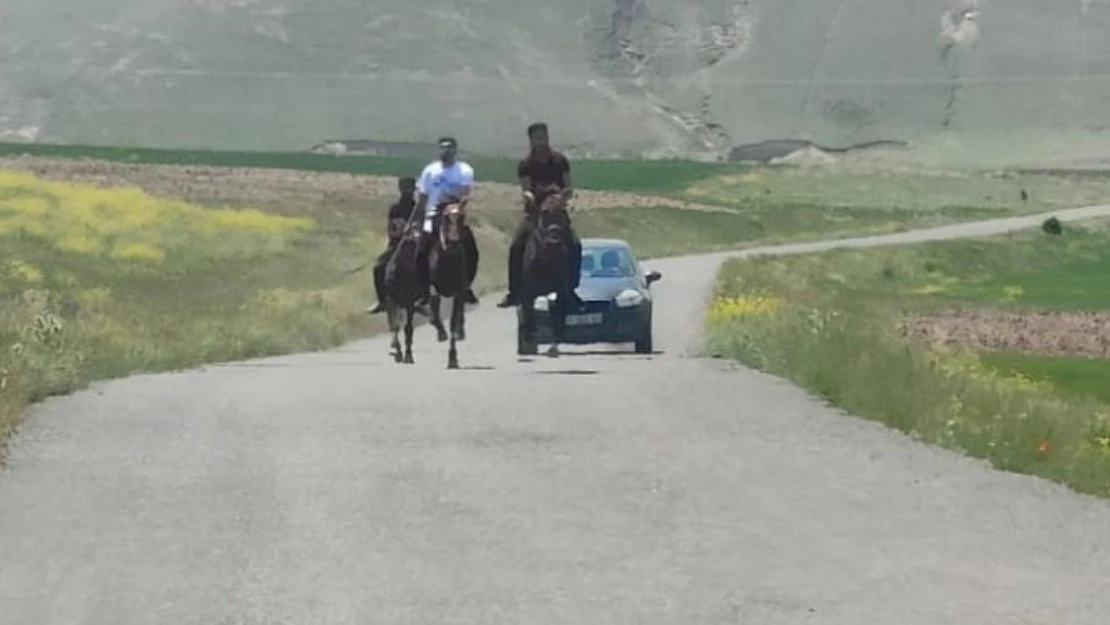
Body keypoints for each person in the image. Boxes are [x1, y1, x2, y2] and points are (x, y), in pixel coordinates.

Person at [497, 122, 584, 309]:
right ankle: (515, 291)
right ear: (531, 140)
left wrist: (560, 198)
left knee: (575, 245)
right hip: (536, 212)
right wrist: (530, 197)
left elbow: (568, 186)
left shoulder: (560, 160)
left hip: (557, 210)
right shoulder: (525, 164)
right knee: (517, 246)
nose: (541, 140)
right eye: (537, 137)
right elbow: (526, 188)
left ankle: (570, 288)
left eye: (543, 136)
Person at [413, 136, 480, 306]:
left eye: (449, 147)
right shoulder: (430, 171)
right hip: (433, 215)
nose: (445, 150)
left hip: (455, 214)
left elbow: (465, 193)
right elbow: (423, 197)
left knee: (471, 250)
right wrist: (417, 221)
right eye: (442, 147)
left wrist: (458, 206)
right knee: (420, 251)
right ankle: (424, 290)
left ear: (455, 150)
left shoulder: (463, 170)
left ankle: (466, 286)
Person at [367, 176, 418, 314]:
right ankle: (382, 301)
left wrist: (413, 233)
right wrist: (398, 234)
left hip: (414, 247)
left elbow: (423, 230)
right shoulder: (394, 209)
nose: (406, 191)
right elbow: (392, 228)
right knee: (378, 268)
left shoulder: (417, 210)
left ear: (413, 190)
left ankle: (422, 299)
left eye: (408, 188)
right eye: (404, 188)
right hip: (396, 246)